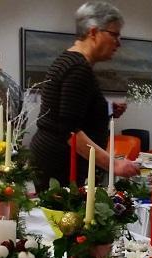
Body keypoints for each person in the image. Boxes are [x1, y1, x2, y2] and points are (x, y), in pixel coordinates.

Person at [30, 1, 139, 190]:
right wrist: (115, 165)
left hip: (53, 158)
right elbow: (70, 132)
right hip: (62, 166)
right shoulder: (78, 68)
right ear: (93, 32)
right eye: (114, 34)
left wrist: (107, 110)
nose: (118, 43)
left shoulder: (70, 61)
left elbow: (68, 112)